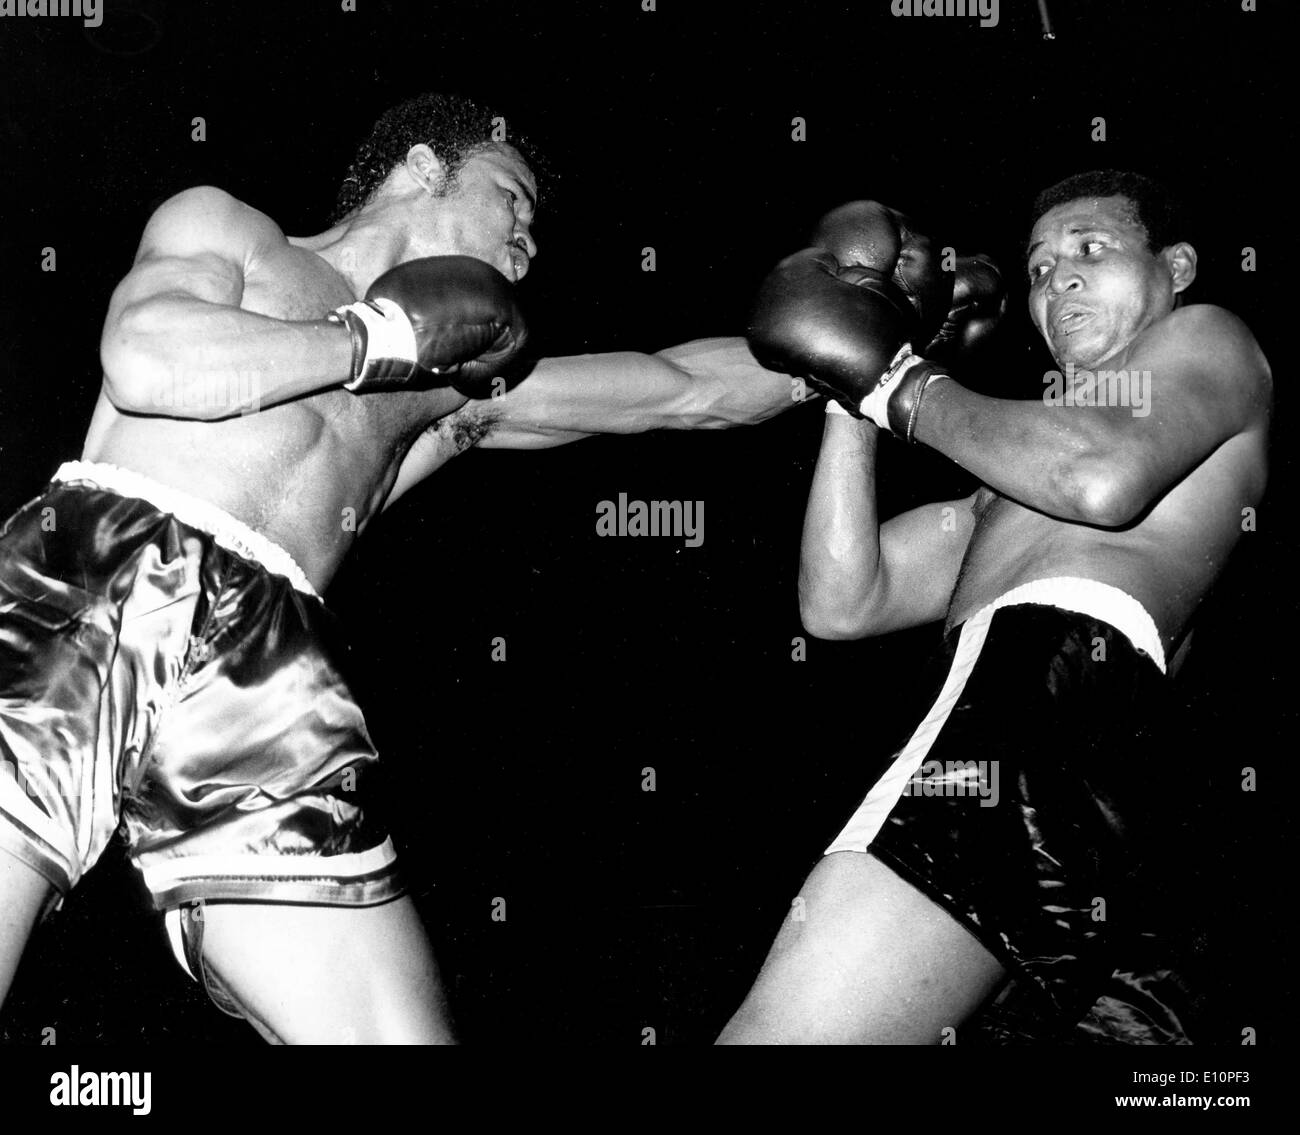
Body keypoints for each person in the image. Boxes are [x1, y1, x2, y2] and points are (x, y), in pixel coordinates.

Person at [0, 92, 803, 1044]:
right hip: (96, 575)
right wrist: (376, 342)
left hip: (273, 667)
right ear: (422, 166)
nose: (528, 240)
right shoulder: (234, 232)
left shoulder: (447, 392)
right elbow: (146, 361)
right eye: (513, 200)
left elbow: (682, 392)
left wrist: (862, 366)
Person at [719, 172, 1271, 1044]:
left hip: (1033, 716)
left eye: (1091, 250)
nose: (1061, 281)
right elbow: (842, 599)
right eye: (1043, 269)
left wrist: (900, 382)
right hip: (1119, 817)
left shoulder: (1210, 341)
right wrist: (851, 394)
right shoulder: (1003, 486)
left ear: (1179, 267)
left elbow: (1098, 477)